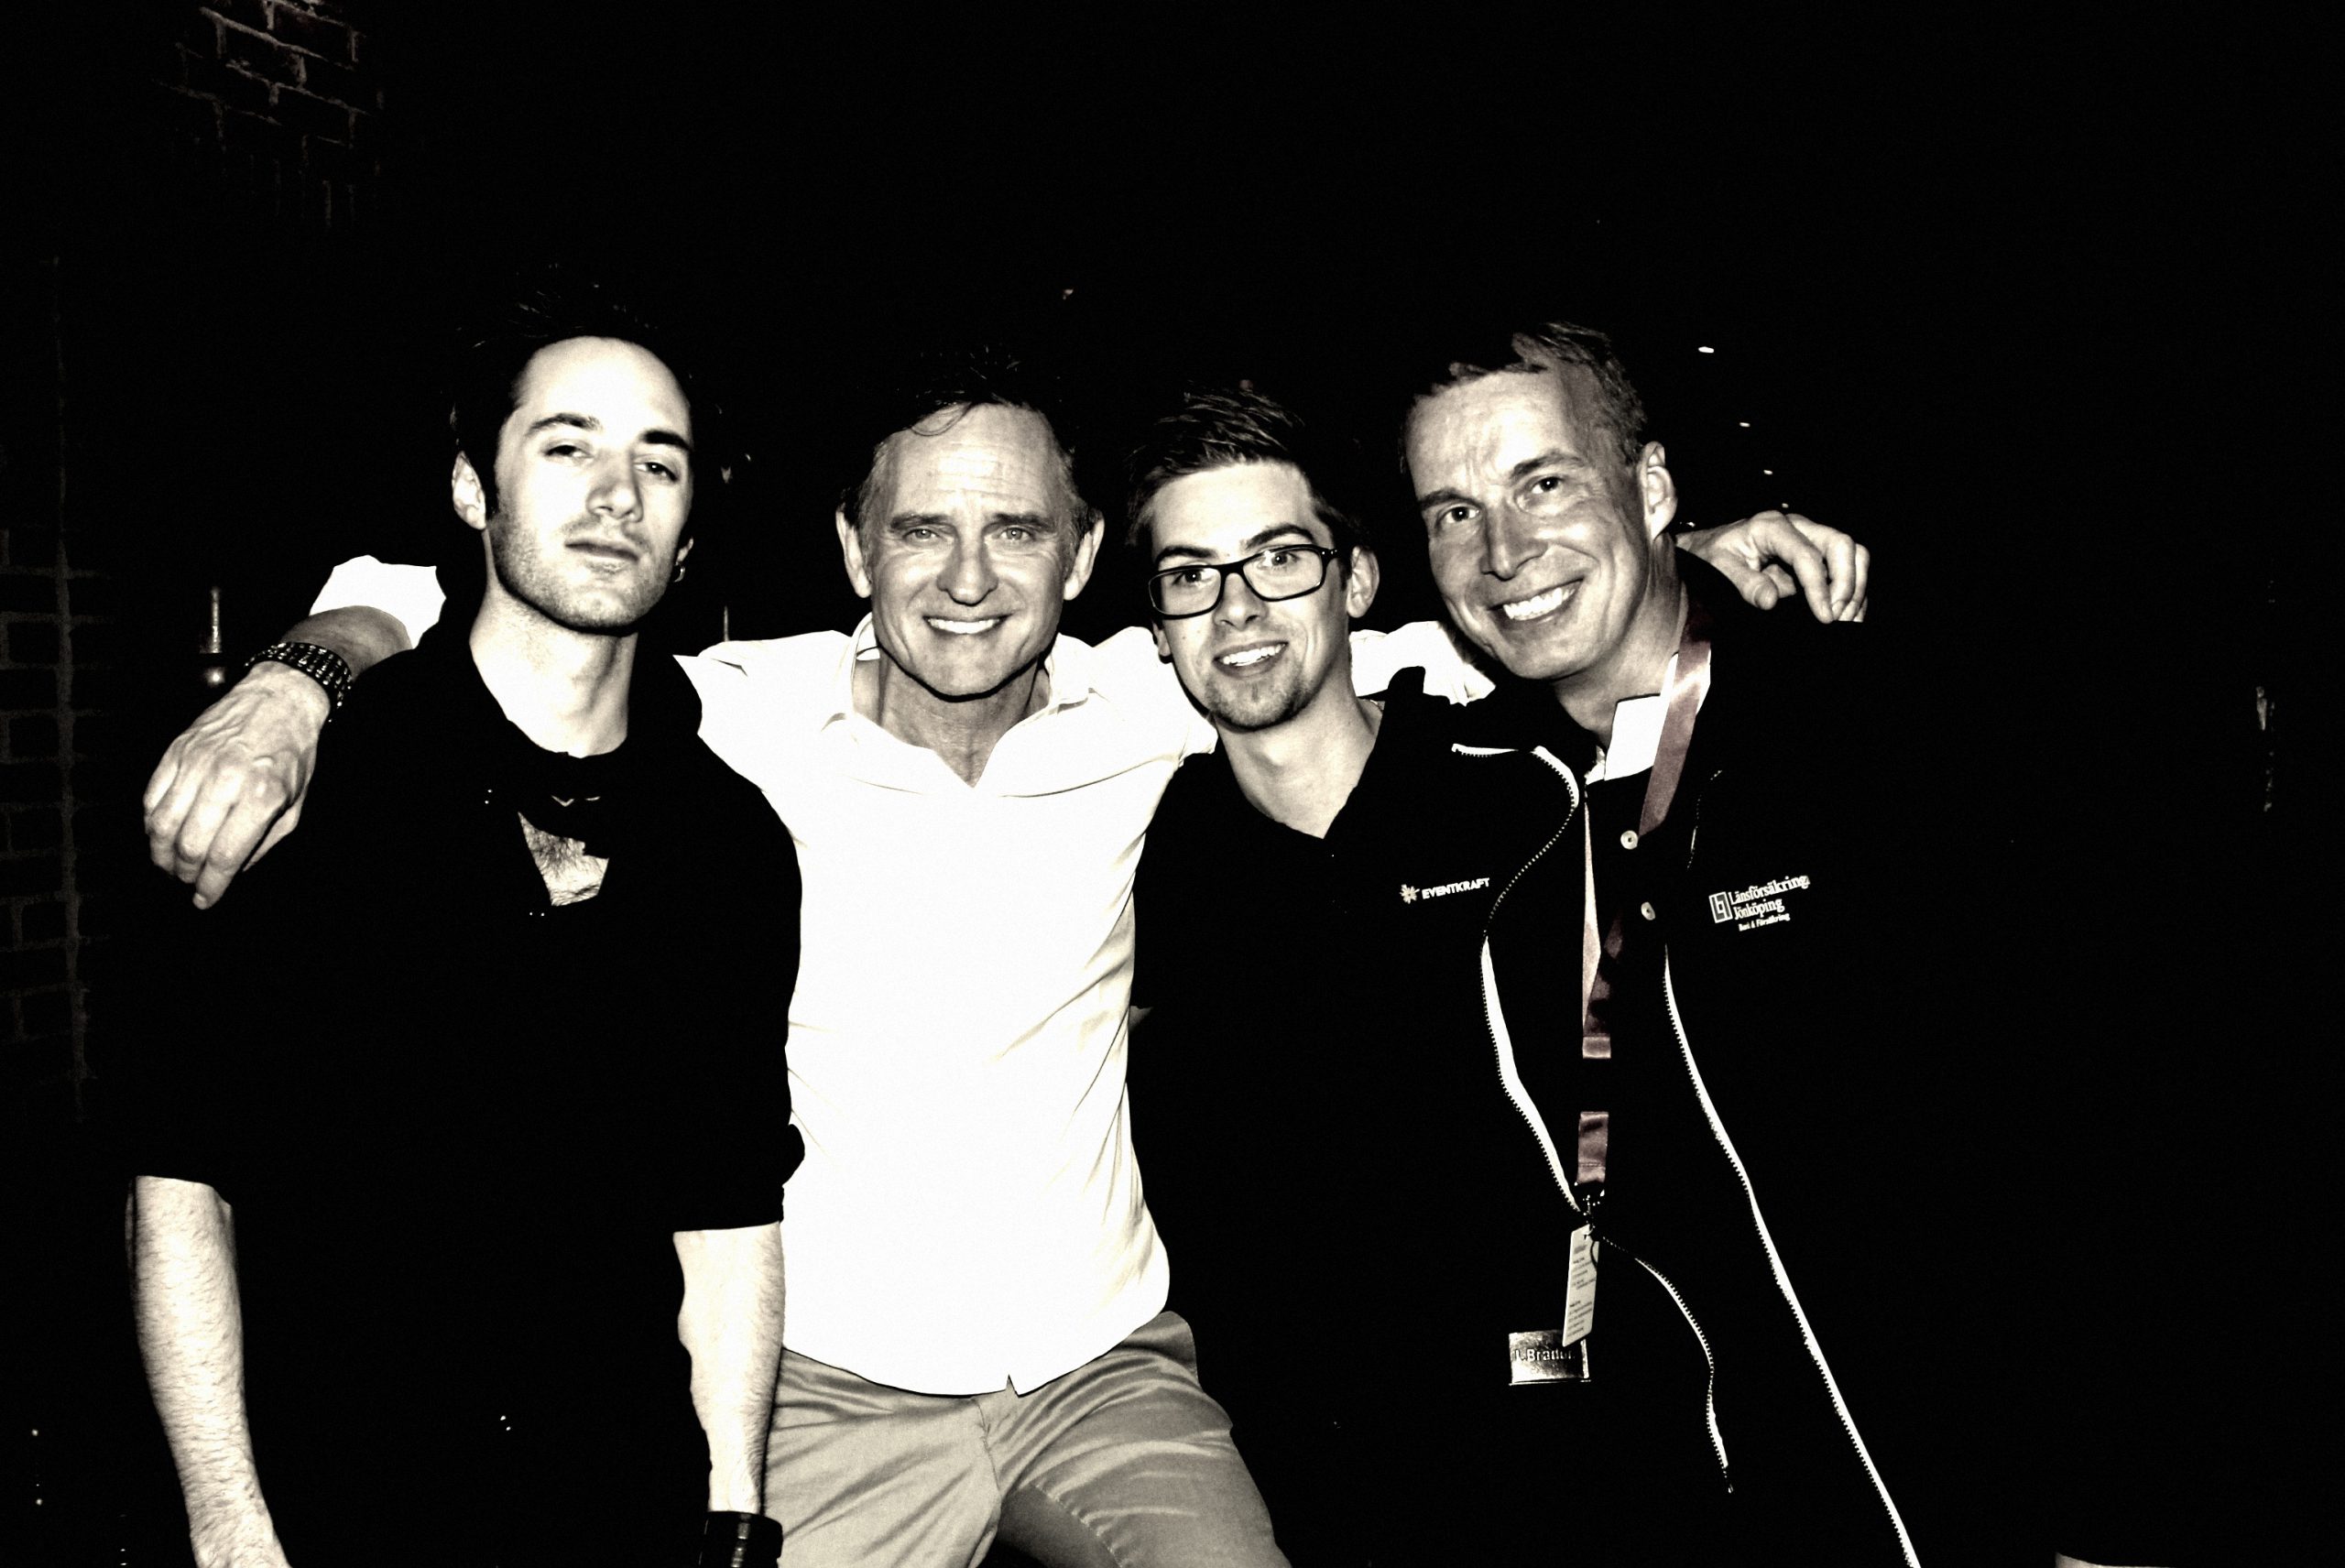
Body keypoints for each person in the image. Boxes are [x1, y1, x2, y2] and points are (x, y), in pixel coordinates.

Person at [136, 340, 1864, 1567]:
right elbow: (467, 591)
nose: (968, 581)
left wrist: (1679, 565)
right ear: (850, 548)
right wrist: (299, 681)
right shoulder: (735, 721)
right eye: (920, 532)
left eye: (1019, 532)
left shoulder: (1154, 695)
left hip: (1108, 1380)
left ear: (1087, 557)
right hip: (825, 1396)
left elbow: (1420, 636)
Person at [1126, 381, 1914, 1563]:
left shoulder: (1527, 782)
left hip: (1575, 1455)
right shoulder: (1143, 844)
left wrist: (1679, 549)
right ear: (1155, 622)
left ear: (1357, 580)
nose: (1237, 607)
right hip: (1293, 1487)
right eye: (1191, 576)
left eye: (1280, 558)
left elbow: (1630, 665)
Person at [125, 311, 801, 1568]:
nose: (617, 495)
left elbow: (725, 1218)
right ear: (471, 488)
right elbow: (180, 1184)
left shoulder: (732, 845)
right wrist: (229, 1528)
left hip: (623, 1505)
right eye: (566, 446)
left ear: (690, 527)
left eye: (658, 461)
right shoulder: (306, 791)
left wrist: (732, 1518)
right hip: (341, 1511)